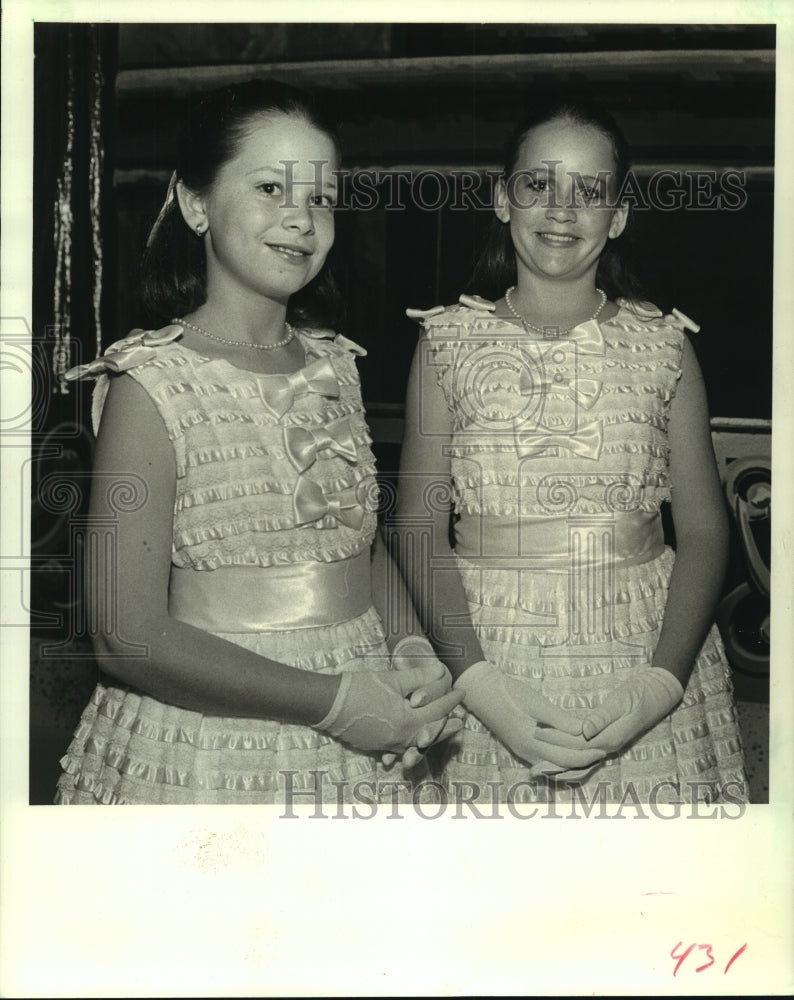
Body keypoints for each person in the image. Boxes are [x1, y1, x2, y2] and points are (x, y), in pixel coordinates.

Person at [56, 80, 463, 806]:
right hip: (212, 745)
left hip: (368, 725)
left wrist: (409, 645)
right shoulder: (151, 385)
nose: (300, 220)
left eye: (321, 198)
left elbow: (356, 549)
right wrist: (333, 703)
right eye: (271, 187)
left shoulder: (337, 364)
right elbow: (127, 634)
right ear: (196, 203)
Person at [393, 96, 748, 805]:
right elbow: (417, 528)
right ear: (502, 200)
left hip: (639, 641)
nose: (562, 210)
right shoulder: (446, 343)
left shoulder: (663, 346)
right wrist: (479, 684)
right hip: (487, 645)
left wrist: (660, 683)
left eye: (589, 192)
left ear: (617, 216)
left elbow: (706, 533)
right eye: (538, 185)